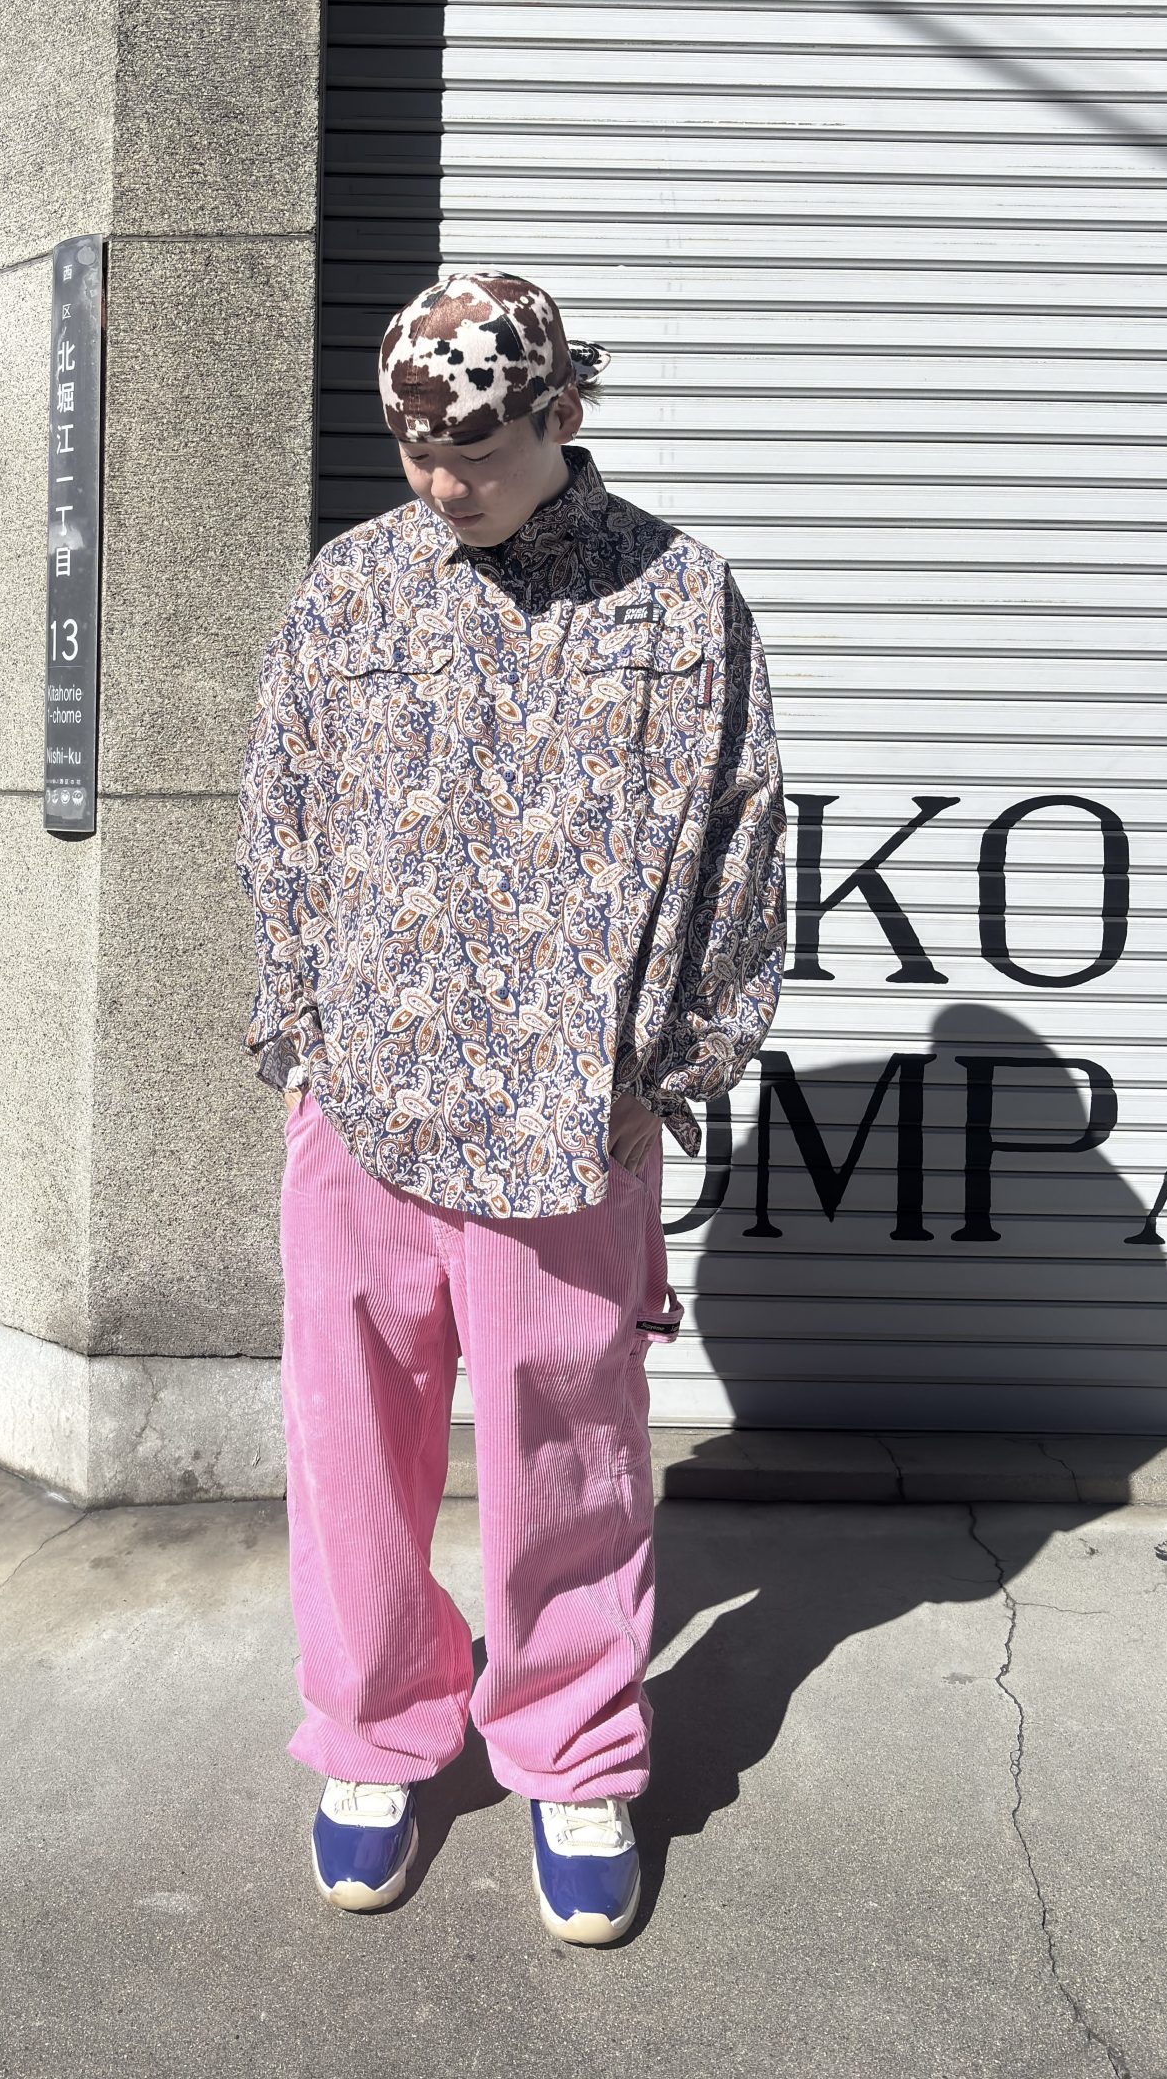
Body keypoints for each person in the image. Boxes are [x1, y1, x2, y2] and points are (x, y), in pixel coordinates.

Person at [237, 268, 785, 1944]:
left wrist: (672, 1072)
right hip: (367, 1105)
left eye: (473, 451)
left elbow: (743, 843)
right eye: (415, 452)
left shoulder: (678, 602)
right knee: (352, 1439)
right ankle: (377, 1729)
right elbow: (280, 812)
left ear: (563, 415)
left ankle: (574, 1751)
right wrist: (302, 1034)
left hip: (568, 1114)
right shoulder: (353, 588)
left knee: (572, 1454)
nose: (441, 483)